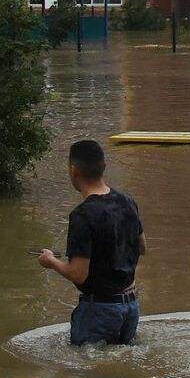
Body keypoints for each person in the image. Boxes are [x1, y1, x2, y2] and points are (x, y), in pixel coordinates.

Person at [37, 139, 145, 346]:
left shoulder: (83, 215)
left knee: (87, 372)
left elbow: (78, 274)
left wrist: (50, 261)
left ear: (73, 171)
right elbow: (142, 247)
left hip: (101, 310)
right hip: (131, 306)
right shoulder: (127, 201)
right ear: (104, 167)